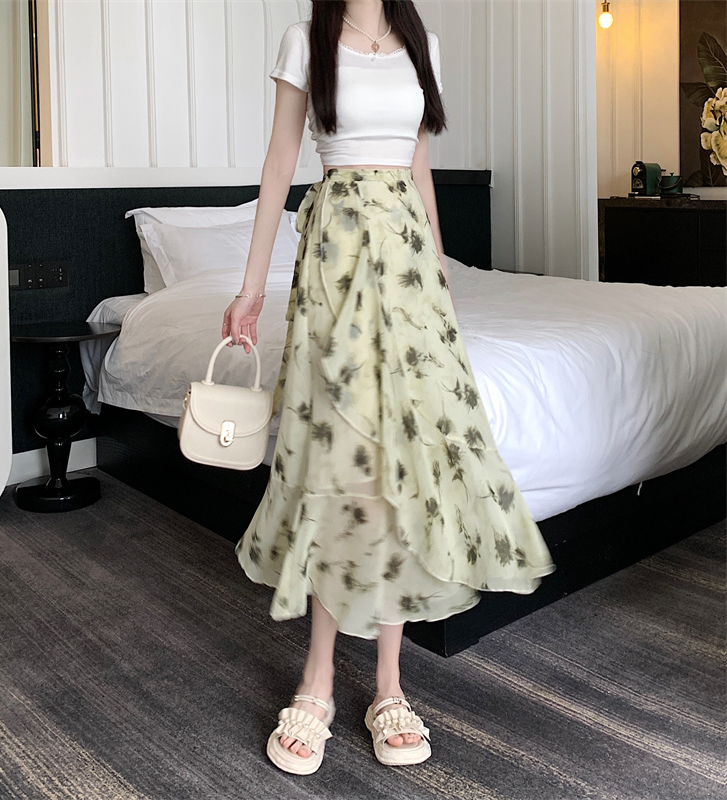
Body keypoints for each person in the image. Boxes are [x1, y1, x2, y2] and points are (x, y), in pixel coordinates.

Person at [223, 0, 556, 775]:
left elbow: (419, 166)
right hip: (335, 258)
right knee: (341, 465)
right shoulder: (305, 40)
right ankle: (316, 682)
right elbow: (279, 164)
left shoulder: (421, 43)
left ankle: (389, 687)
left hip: (407, 268)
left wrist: (438, 268)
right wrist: (250, 288)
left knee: (404, 465)